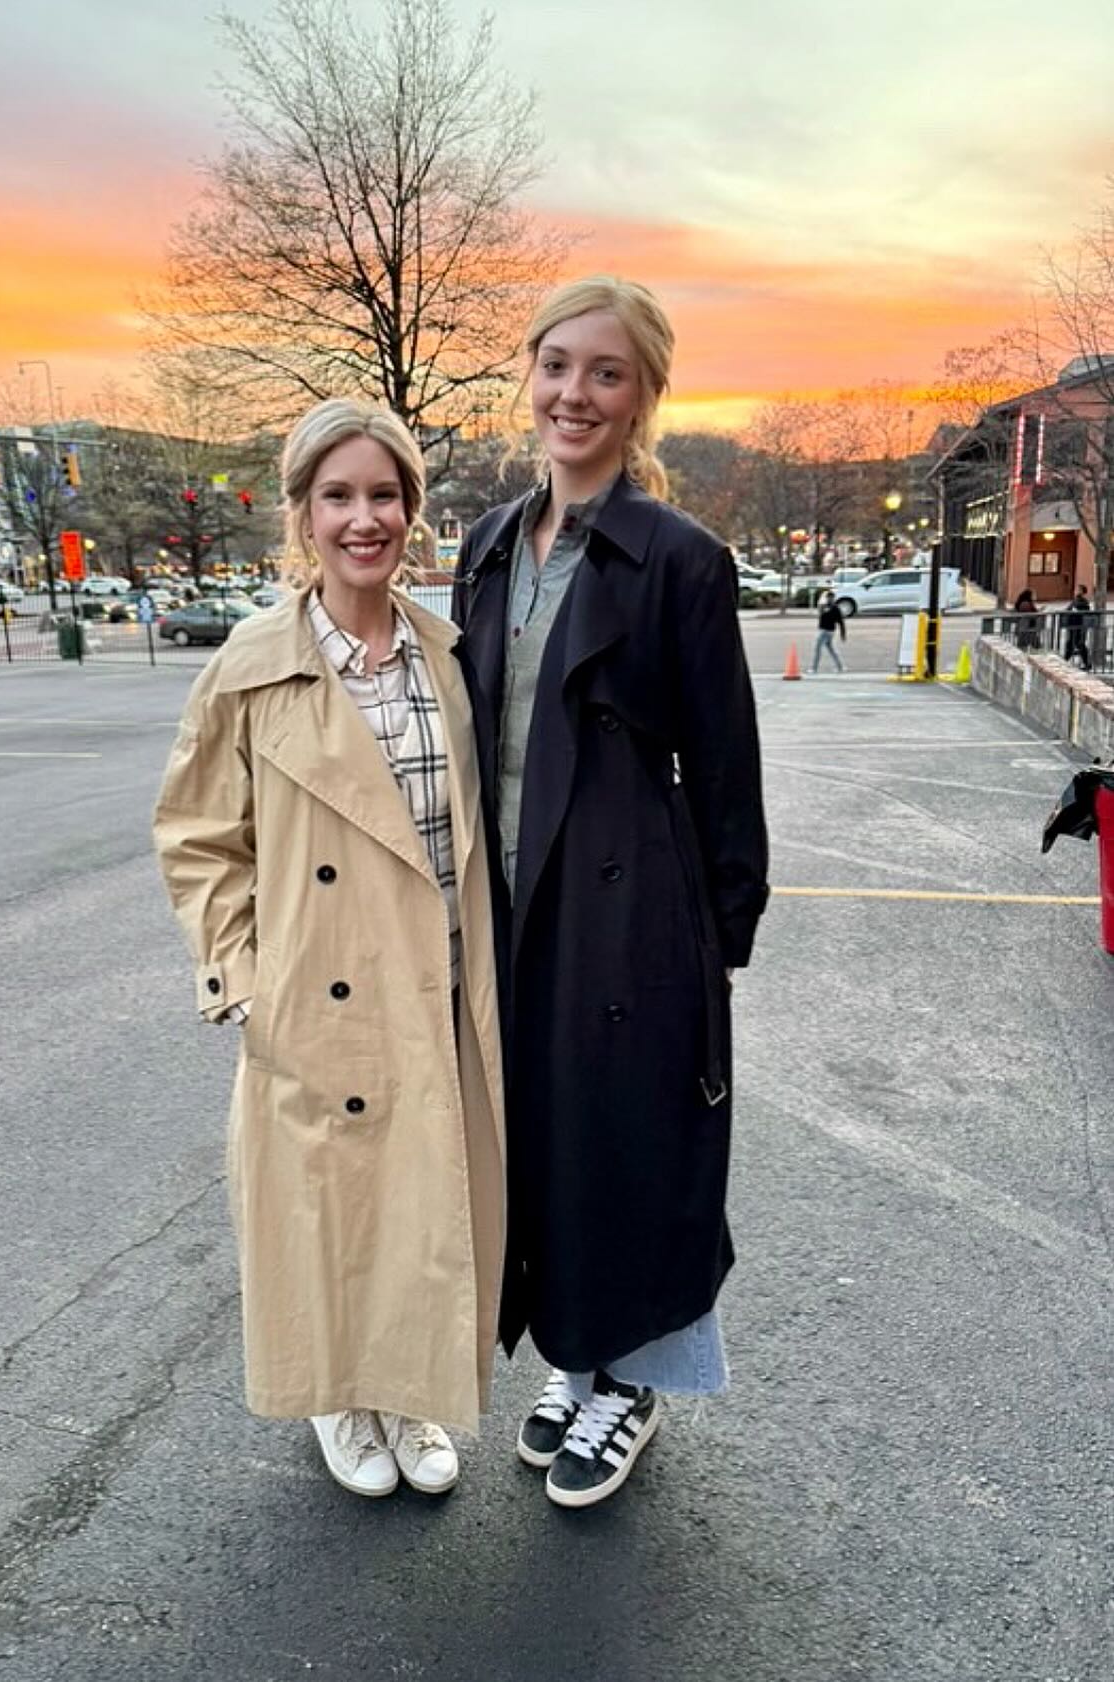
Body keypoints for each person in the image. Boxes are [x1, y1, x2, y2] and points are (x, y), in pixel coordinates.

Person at [454, 276, 769, 1509]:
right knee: (542, 1140)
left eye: (607, 372)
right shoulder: (489, 542)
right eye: (557, 365)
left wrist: (719, 936)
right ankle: (578, 1352)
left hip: (629, 911)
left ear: (644, 398)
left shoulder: (681, 559)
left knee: (632, 1142)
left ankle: (631, 1374)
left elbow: (726, 762)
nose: (575, 393)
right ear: (528, 376)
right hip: (506, 901)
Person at [154, 399, 506, 1500]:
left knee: (420, 1200)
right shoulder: (251, 664)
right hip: (322, 986)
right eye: (339, 496)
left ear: (412, 509)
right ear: (301, 514)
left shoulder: (447, 655)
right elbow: (198, 833)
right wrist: (244, 978)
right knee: (329, 1206)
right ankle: (340, 1394)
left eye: (384, 495)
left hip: (439, 979)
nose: (365, 519)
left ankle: (407, 1388)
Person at [812, 590, 848, 673]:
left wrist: (843, 634)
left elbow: (841, 622)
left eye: (831, 597)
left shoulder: (833, 608)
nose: (829, 599)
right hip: (829, 631)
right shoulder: (826, 607)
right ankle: (840, 667)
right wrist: (843, 634)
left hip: (825, 631)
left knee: (817, 649)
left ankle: (814, 669)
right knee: (832, 650)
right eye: (828, 597)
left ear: (833, 598)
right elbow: (841, 622)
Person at [1064, 583, 1092, 670]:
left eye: (1077, 589)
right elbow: (1068, 609)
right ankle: (1086, 663)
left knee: (1077, 644)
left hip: (1078, 626)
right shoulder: (1077, 600)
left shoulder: (1081, 601)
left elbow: (1072, 609)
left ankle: (1087, 663)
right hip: (1075, 625)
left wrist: (1070, 611)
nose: (1075, 591)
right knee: (1074, 644)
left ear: (1081, 591)